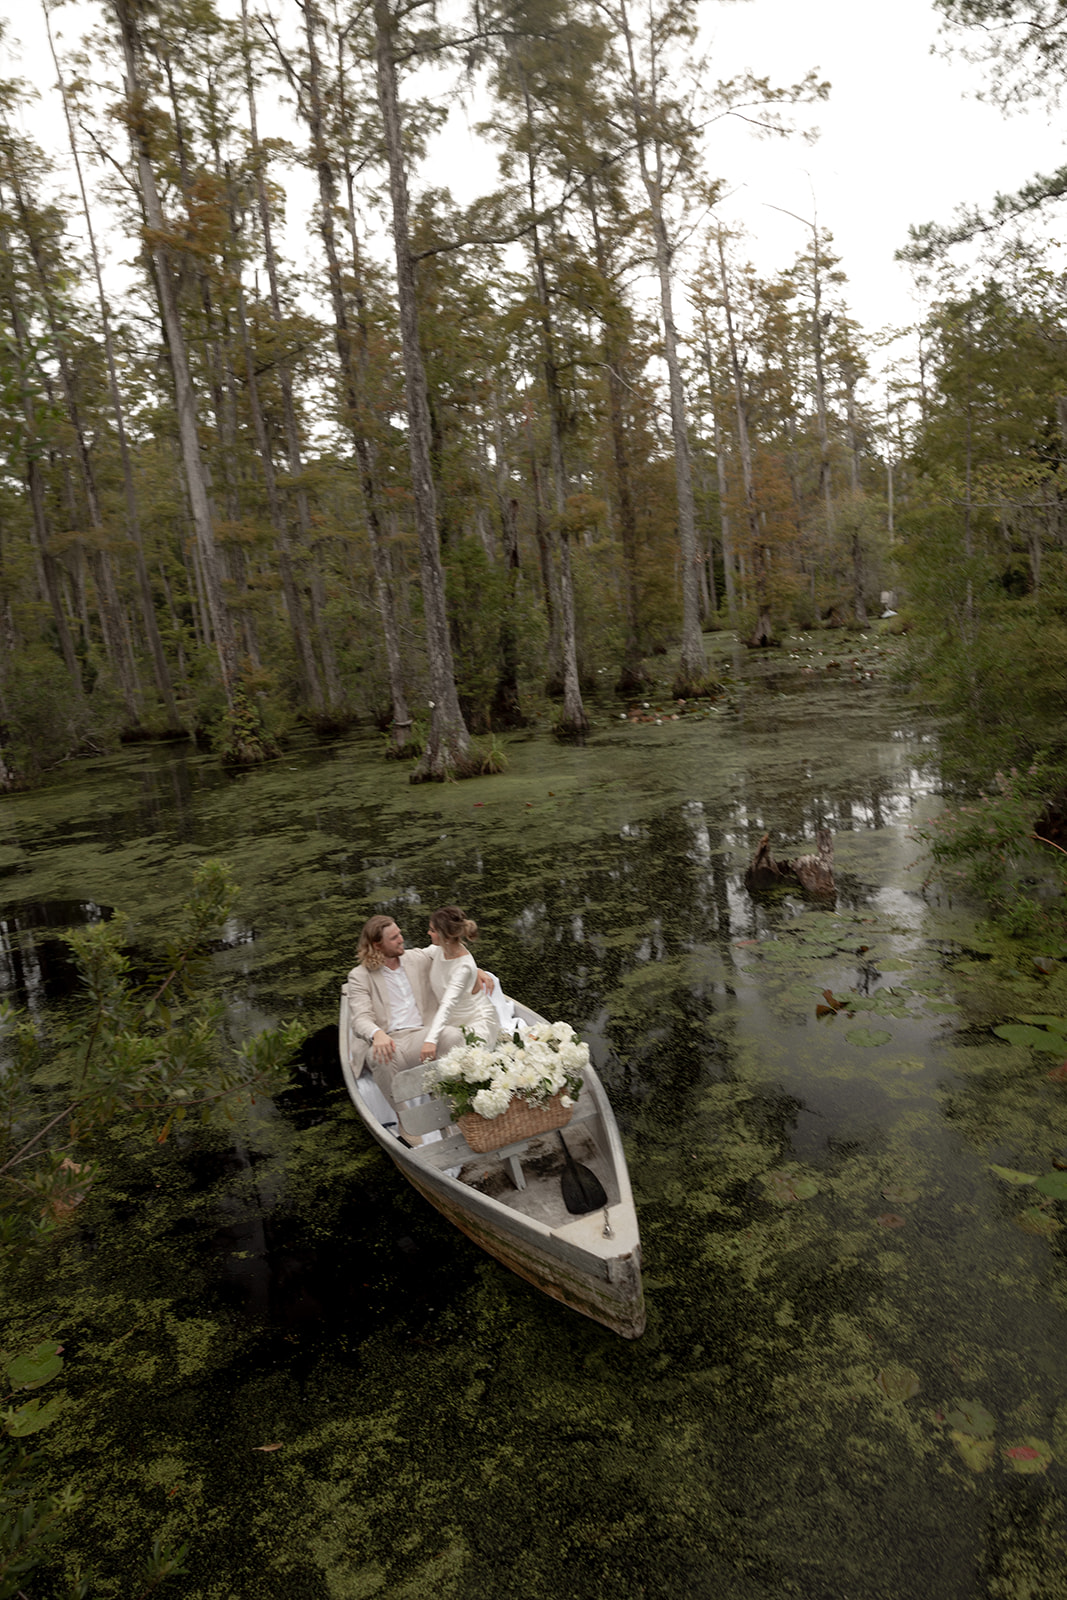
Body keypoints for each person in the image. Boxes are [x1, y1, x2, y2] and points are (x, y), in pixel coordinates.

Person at [343, 913, 491, 1115]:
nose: (401, 939)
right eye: (394, 938)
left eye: (399, 934)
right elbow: (360, 1018)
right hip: (392, 1041)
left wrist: (476, 970)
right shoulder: (359, 976)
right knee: (377, 1056)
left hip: (422, 1035)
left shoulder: (418, 958)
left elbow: (454, 955)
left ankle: (455, 1108)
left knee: (453, 1036)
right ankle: (404, 1118)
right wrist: (377, 1034)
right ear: (377, 945)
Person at [420, 905, 500, 1064]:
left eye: (433, 930)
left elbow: (447, 1004)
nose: (428, 933)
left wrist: (431, 1040)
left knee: (465, 1065)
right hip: (451, 1023)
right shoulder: (438, 950)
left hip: (476, 1023)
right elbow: (415, 955)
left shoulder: (463, 967)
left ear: (446, 937)